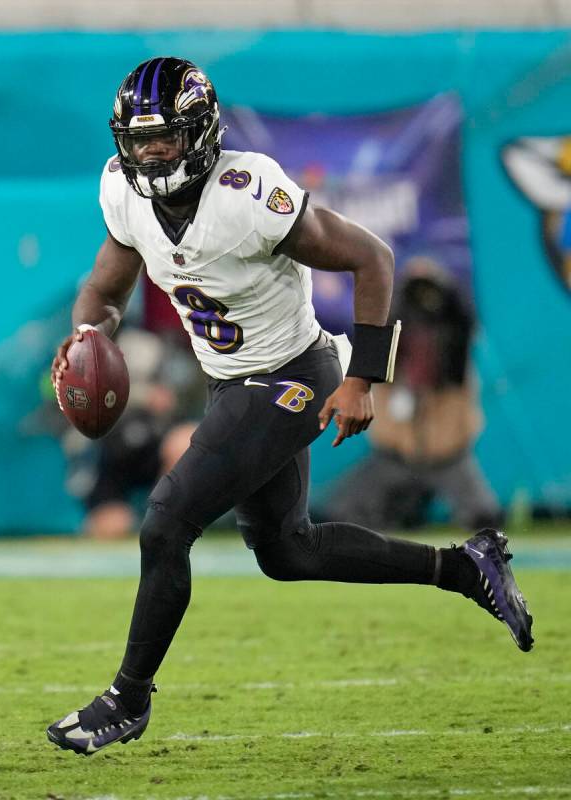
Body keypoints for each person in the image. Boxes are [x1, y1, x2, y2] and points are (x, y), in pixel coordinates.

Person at [46, 57, 533, 756]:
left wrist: (364, 380)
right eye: (139, 139)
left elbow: (374, 258)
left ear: (202, 134)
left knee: (165, 523)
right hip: (231, 380)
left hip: (292, 374)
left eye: (166, 138)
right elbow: (105, 286)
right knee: (287, 551)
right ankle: (466, 568)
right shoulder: (123, 194)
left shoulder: (247, 192)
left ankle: (125, 700)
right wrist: (87, 335)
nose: (151, 153)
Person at [331, 257, 503, 531]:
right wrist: (405, 289)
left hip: (449, 456)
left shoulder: (453, 345)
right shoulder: (392, 347)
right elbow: (380, 321)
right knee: (341, 511)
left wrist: (437, 285)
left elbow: (463, 319)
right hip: (395, 456)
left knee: (485, 519)